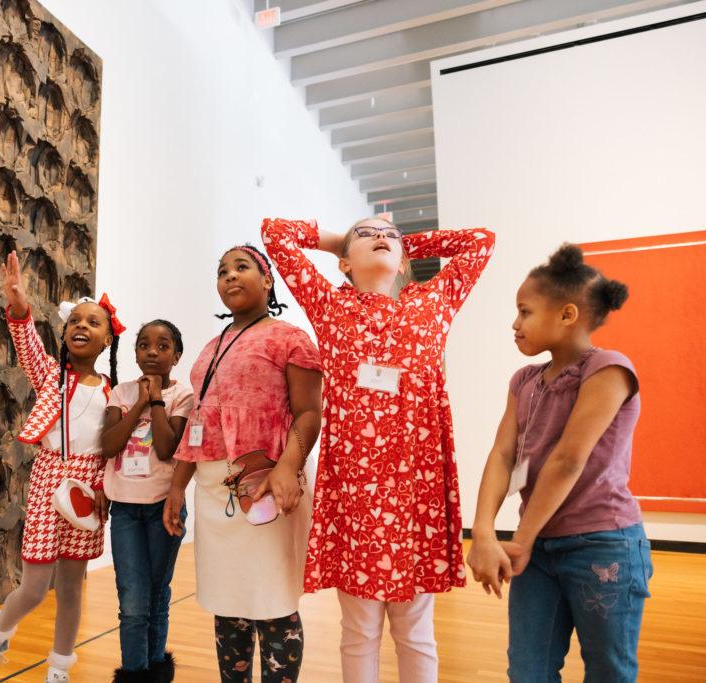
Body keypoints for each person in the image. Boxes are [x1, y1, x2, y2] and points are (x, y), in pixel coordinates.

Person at [262, 216, 494, 682]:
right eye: (367, 235)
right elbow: (276, 235)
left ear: (406, 260)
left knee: (415, 631)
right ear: (345, 263)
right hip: (357, 492)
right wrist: (337, 243)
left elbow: (479, 241)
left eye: (389, 236)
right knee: (360, 630)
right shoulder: (330, 306)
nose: (381, 238)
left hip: (415, 491)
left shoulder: (434, 300)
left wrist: (400, 240)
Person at [467, 244, 649, 682]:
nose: (514, 323)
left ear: (567, 315)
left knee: (608, 670)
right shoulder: (524, 380)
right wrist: (484, 532)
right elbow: (502, 453)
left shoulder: (608, 369)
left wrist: (522, 540)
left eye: (525, 311)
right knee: (527, 671)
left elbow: (569, 460)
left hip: (602, 546)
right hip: (539, 550)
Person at [164, 244, 323, 683]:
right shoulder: (211, 347)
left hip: (266, 485)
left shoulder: (290, 337)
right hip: (215, 493)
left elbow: (309, 412)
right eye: (222, 271)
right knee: (228, 603)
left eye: (242, 267)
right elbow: (200, 419)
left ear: (267, 279)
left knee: (272, 603)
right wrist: (178, 486)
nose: (230, 276)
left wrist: (288, 468)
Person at [0, 250, 124, 682]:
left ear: (107, 339)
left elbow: (111, 448)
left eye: (93, 322)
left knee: (73, 586)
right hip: (49, 480)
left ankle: (60, 668)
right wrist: (20, 305)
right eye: (75, 320)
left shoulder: (114, 392)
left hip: (91, 486)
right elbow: (26, 343)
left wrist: (104, 491)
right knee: (36, 586)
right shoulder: (52, 377)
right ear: (65, 332)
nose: (82, 326)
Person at [101, 319, 194, 682]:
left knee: (157, 595)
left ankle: (156, 669)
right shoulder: (121, 394)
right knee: (132, 600)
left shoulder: (182, 396)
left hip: (162, 508)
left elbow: (169, 445)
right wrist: (140, 399)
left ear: (177, 355)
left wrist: (156, 400)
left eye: (163, 345)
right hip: (125, 509)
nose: (153, 352)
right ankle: (135, 673)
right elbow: (109, 445)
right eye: (144, 345)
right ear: (135, 352)